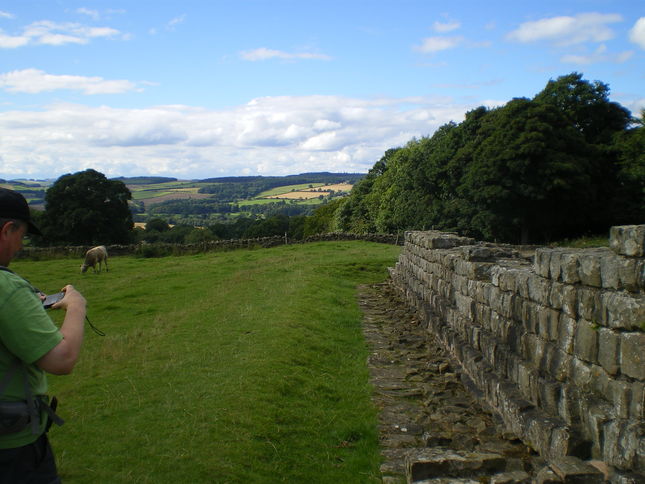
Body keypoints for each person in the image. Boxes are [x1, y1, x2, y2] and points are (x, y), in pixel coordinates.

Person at [0, 187, 86, 483]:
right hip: (11, 449)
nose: (21, 246)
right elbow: (62, 360)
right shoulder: (7, 288)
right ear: (7, 230)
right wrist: (76, 307)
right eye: (21, 236)